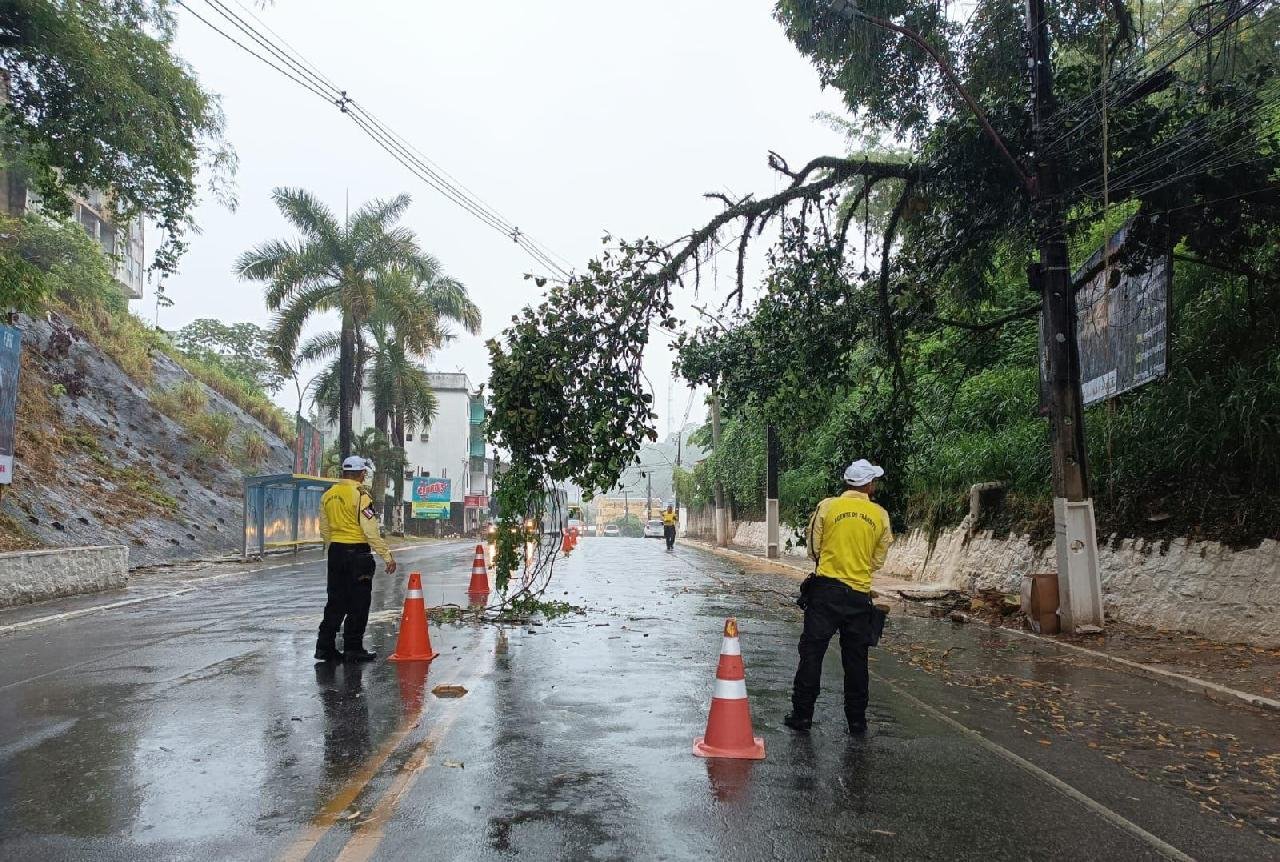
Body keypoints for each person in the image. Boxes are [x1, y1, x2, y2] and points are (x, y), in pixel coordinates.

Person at [785, 458, 894, 735]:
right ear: (868, 485)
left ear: (848, 483)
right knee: (856, 661)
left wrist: (832, 565)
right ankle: (857, 722)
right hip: (859, 596)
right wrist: (857, 568)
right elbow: (878, 560)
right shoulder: (880, 515)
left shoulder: (827, 506)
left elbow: (813, 548)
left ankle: (802, 716)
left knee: (812, 654)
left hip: (825, 593)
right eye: (874, 481)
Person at [315, 456, 398, 662]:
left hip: (336, 552)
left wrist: (333, 548)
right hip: (358, 555)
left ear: (343, 473)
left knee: (335, 602)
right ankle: (353, 648)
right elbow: (370, 531)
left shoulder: (328, 495)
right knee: (359, 603)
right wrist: (386, 556)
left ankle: (324, 647)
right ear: (361, 474)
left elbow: (324, 529)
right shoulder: (362, 496)